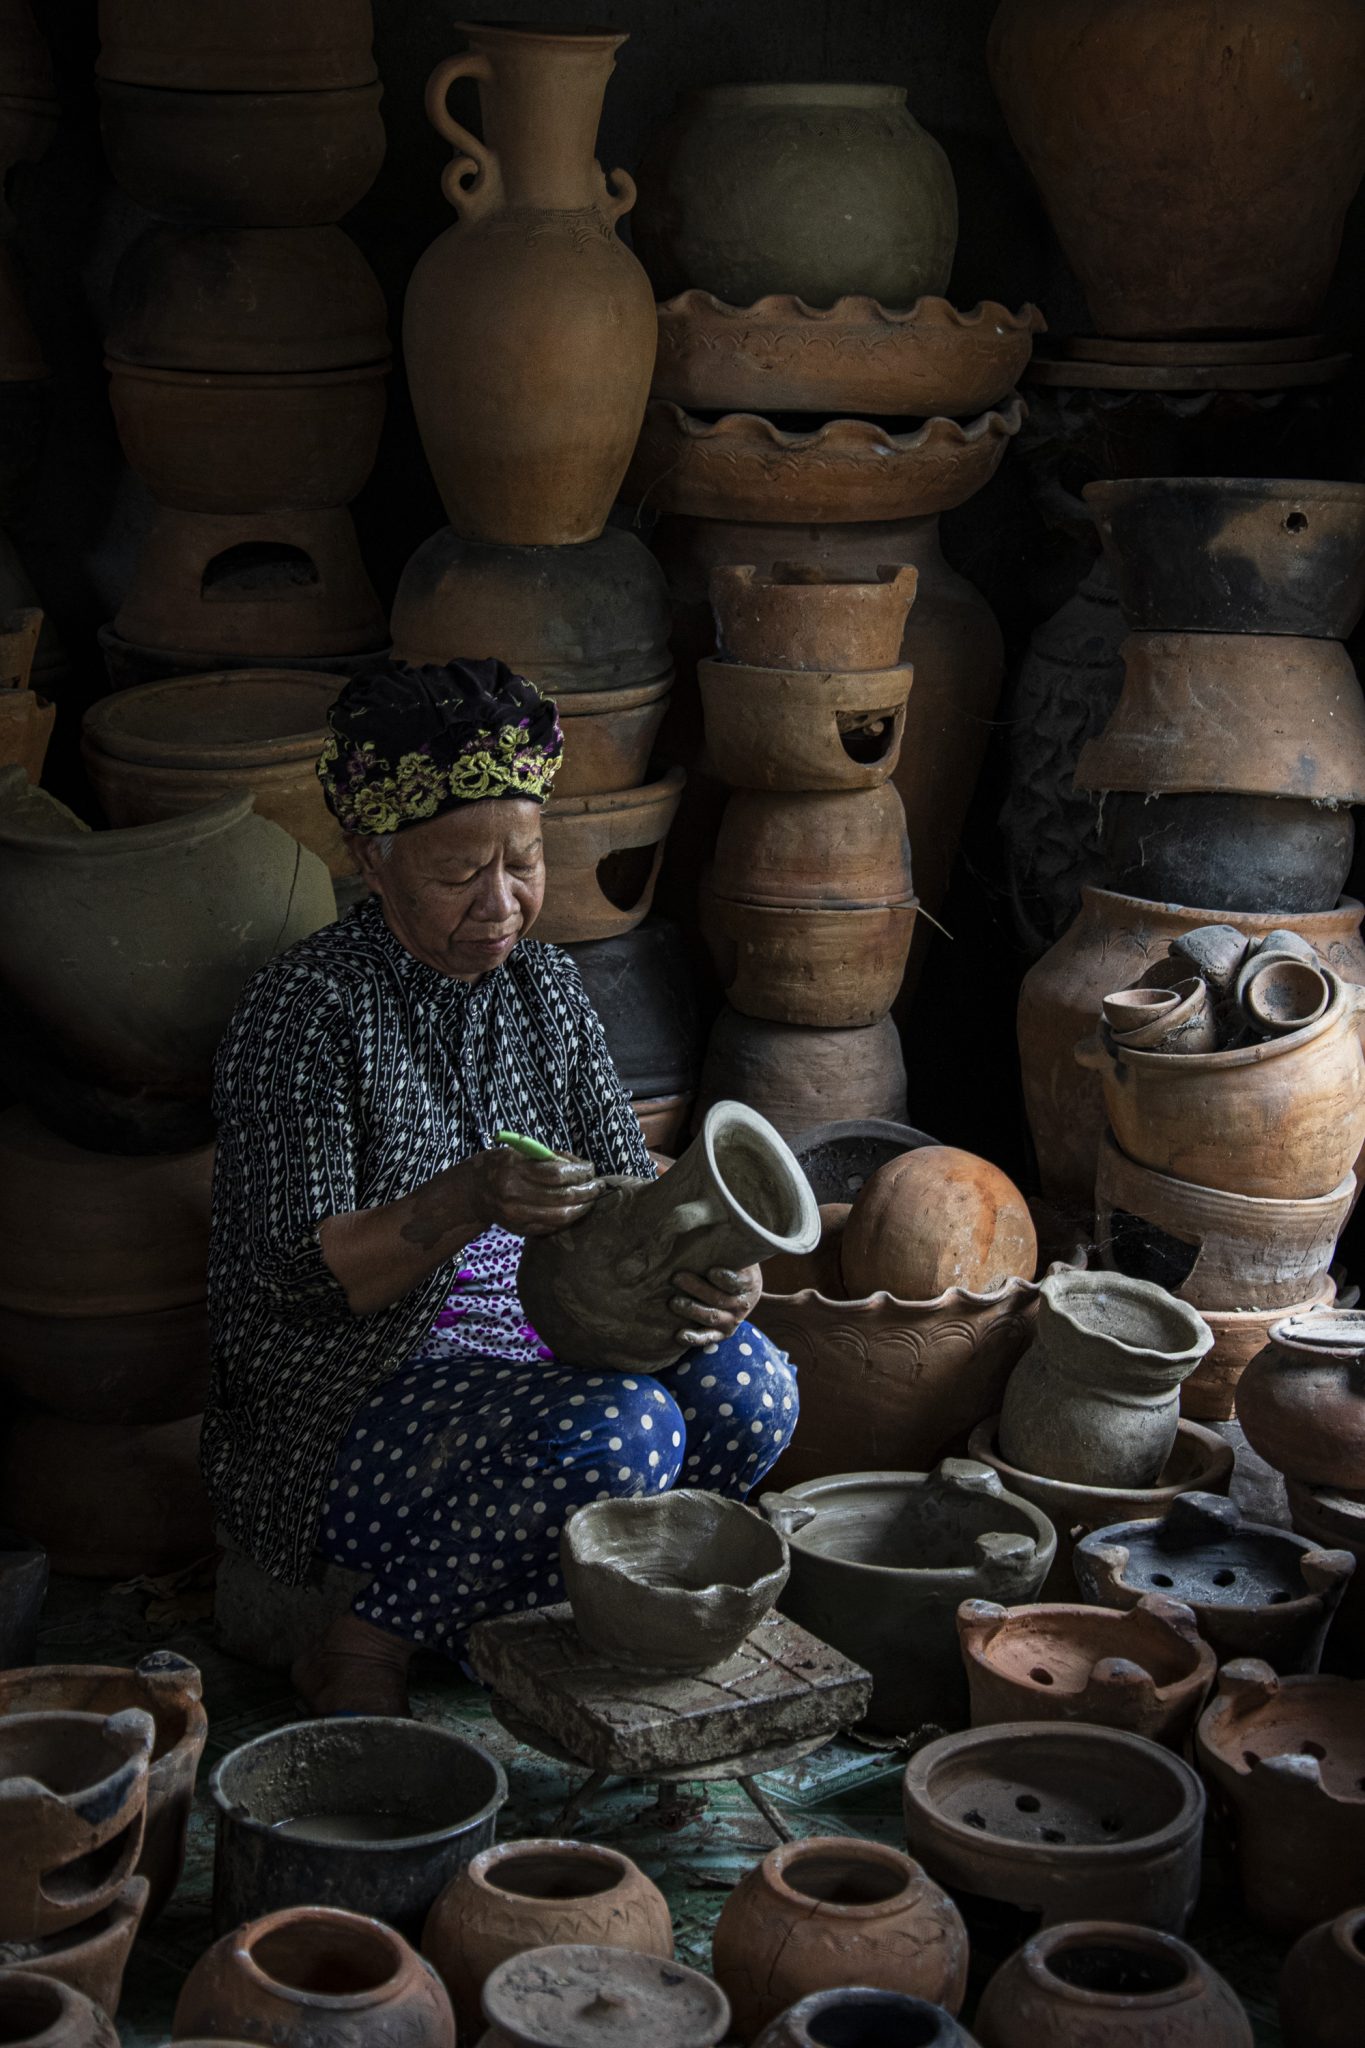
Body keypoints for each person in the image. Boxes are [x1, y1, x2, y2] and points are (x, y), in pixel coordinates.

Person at [203, 658, 798, 1715]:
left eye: (523, 861)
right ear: (371, 857)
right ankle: (366, 1639)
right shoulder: (307, 1011)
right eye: (457, 872)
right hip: (354, 1394)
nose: (501, 901)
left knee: (755, 1389)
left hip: (543, 1350)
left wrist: (712, 1271)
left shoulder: (547, 987)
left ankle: (571, 1599)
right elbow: (297, 1279)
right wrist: (465, 1199)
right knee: (623, 1426)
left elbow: (627, 1184)